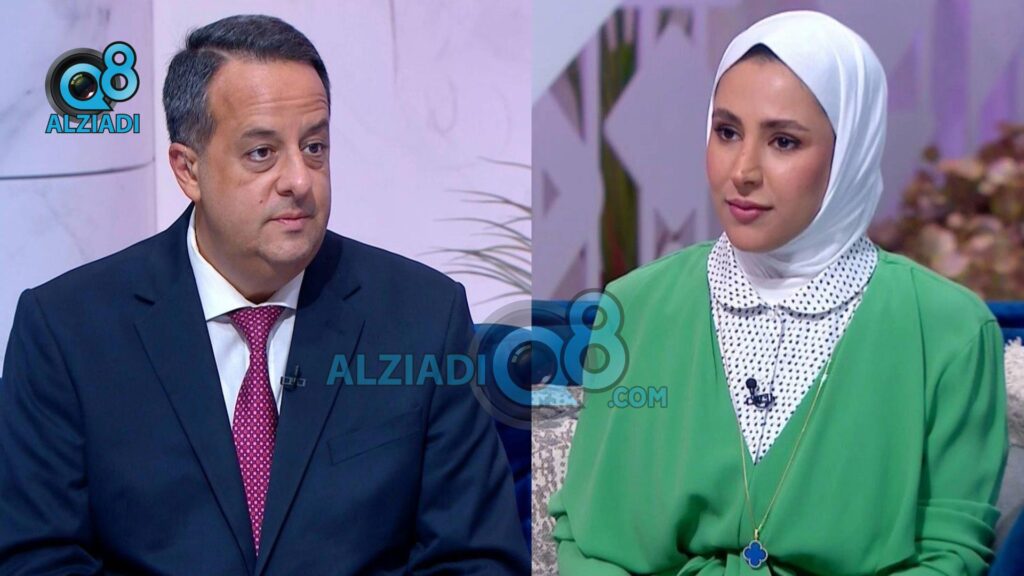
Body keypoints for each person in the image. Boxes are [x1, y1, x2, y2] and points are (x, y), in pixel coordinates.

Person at [0, 15, 528, 575]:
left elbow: (478, 558)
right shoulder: (66, 331)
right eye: (262, 153)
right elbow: (34, 557)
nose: (299, 180)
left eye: (314, 147)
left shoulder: (424, 317)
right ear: (188, 169)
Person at [550, 10, 1007, 575]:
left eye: (784, 141)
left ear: (849, 152)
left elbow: (948, 557)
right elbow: (587, 542)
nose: (743, 170)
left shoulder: (949, 332)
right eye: (727, 132)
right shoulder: (634, 309)